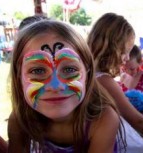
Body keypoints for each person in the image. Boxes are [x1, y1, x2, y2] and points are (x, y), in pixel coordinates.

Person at [7, 19, 125, 152]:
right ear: (19, 76)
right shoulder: (20, 120)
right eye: (38, 71)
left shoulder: (103, 120)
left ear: (87, 73)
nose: (56, 86)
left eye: (69, 69)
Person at [87, 12, 143, 141]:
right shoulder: (103, 80)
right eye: (126, 51)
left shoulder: (87, 72)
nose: (128, 57)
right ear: (113, 48)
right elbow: (138, 121)